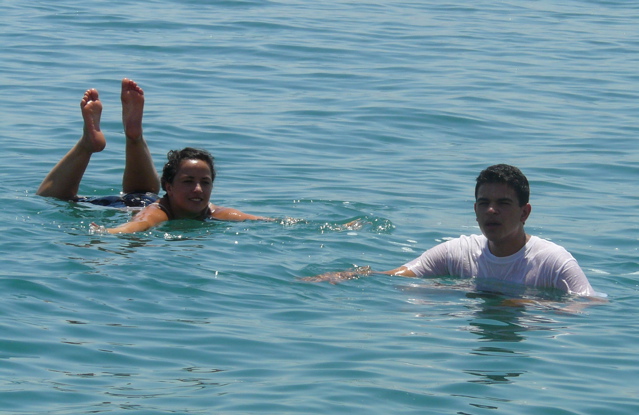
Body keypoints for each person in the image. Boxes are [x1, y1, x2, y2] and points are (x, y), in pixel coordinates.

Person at [302, 164, 596, 297]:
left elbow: (588, 305)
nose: (491, 211)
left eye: (503, 203)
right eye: (484, 203)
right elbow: (399, 277)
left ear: (525, 212)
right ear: (475, 210)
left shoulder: (553, 261)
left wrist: (528, 308)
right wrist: (353, 275)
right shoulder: (459, 251)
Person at [37, 79, 270, 234]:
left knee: (144, 192)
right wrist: (108, 232)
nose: (198, 189)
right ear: (168, 186)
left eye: (205, 182)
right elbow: (140, 223)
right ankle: (87, 144)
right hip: (116, 206)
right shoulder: (158, 213)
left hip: (145, 196)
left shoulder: (214, 211)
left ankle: (134, 134)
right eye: (188, 182)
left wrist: (285, 223)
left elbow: (252, 219)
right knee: (52, 198)